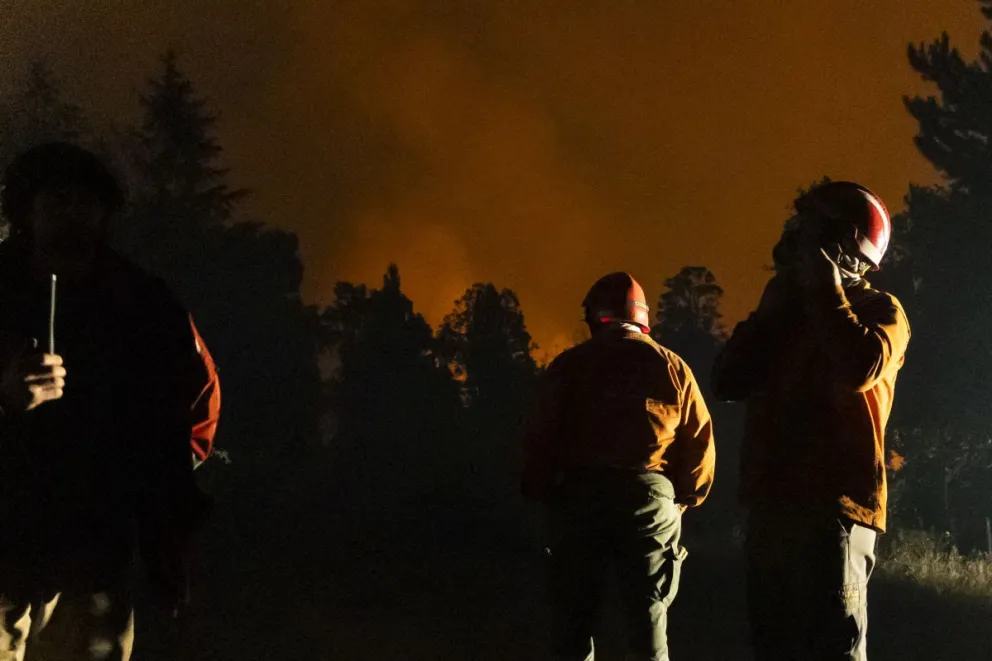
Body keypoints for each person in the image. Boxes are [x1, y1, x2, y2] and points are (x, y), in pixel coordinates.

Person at [0, 142, 211, 660]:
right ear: (27, 209)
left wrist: (165, 528)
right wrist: (5, 400)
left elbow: (192, 412)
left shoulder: (146, 306)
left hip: (96, 548)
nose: (73, 212)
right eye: (57, 199)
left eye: (86, 201)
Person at [712, 181, 911, 661]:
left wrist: (825, 289)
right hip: (772, 505)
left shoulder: (881, 311)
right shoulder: (786, 311)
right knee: (774, 646)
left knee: (832, 647)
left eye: (811, 226)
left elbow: (860, 366)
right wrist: (767, 317)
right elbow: (727, 382)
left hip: (836, 508)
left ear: (846, 242)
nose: (796, 235)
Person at [522, 272, 715, 661]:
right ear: (642, 317)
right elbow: (699, 444)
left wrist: (542, 490)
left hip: (580, 499)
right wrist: (680, 501)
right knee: (648, 622)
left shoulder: (569, 367)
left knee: (573, 624)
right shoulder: (673, 368)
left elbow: (538, 437)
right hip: (650, 500)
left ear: (594, 317)